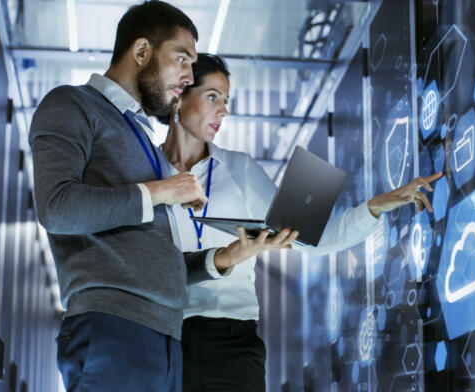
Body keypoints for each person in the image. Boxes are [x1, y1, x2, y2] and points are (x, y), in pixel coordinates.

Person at [29, 3, 296, 391]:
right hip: (113, 327)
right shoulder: (72, 104)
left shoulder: (143, 142)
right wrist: (162, 190)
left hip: (165, 338)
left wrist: (225, 259)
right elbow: (57, 207)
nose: (188, 76)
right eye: (182, 59)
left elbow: (156, 259)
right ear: (141, 52)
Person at [157, 53, 442, 391]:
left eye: (227, 101)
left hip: (233, 341)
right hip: (165, 336)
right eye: (213, 97)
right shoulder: (146, 172)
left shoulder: (239, 168)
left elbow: (315, 238)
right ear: (180, 95)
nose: (224, 110)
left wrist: (377, 206)